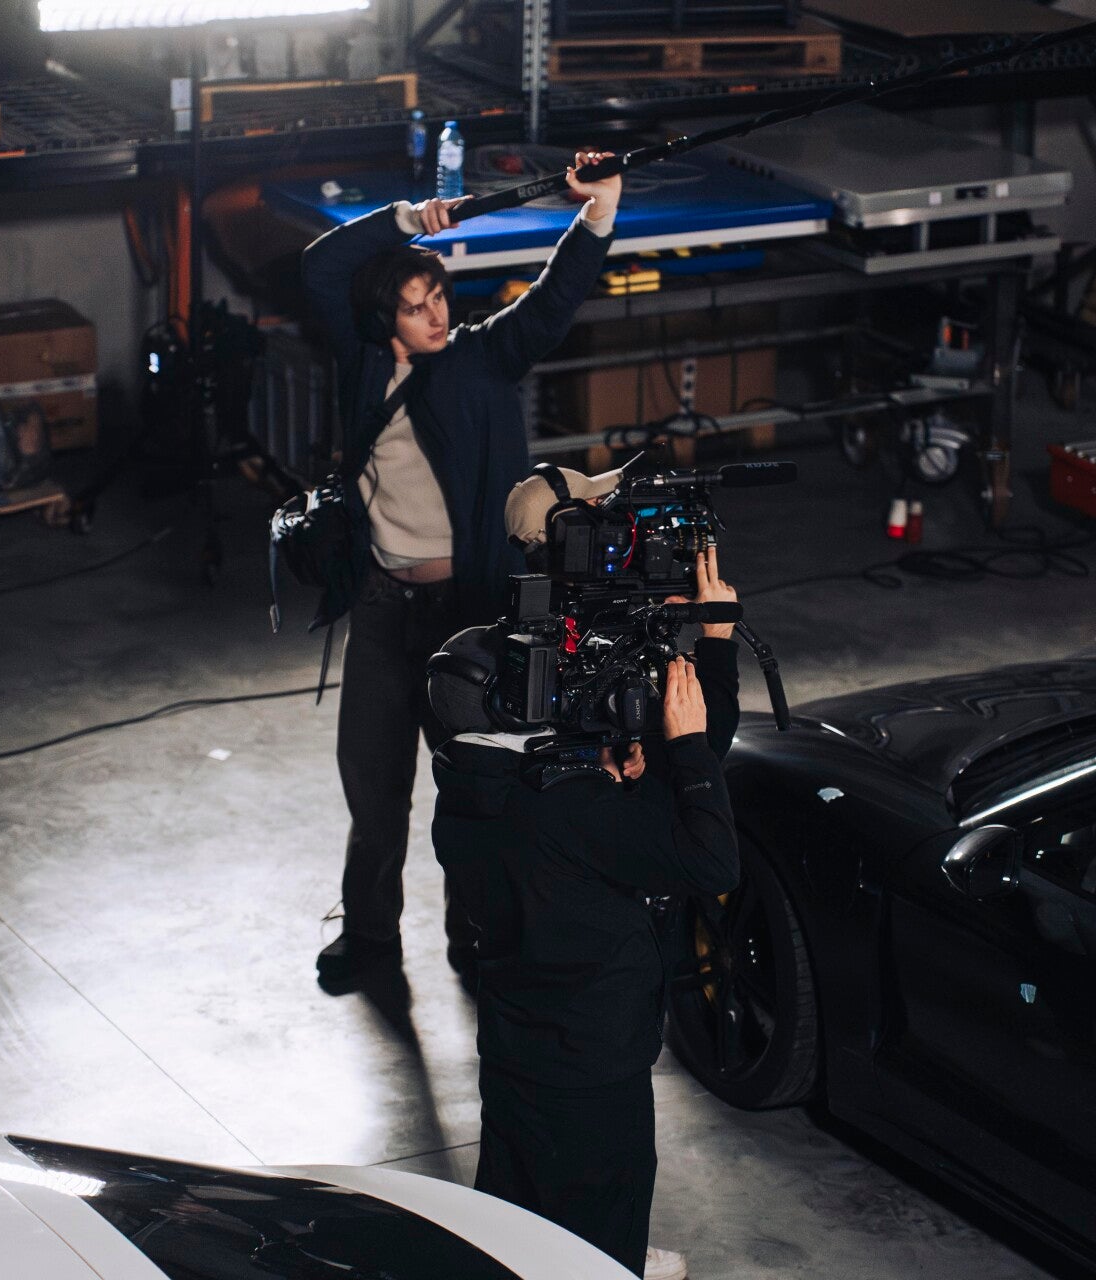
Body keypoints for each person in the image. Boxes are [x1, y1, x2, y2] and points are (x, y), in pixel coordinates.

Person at [300, 152, 623, 986]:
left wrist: (596, 213)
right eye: (413, 307)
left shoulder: (481, 359)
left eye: (437, 296)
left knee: (477, 788)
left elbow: (551, 301)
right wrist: (410, 219)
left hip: (469, 614)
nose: (434, 315)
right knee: (375, 792)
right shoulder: (362, 365)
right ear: (384, 320)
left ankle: (475, 936)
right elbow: (322, 265)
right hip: (382, 607)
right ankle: (370, 936)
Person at [428, 547, 743, 1280]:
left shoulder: (465, 788)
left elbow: (594, 826)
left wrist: (607, 774)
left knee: (514, 1201)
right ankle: (608, 1262)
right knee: (605, 1200)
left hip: (516, 1041)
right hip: (593, 1054)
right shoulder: (573, 811)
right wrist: (690, 738)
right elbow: (711, 862)